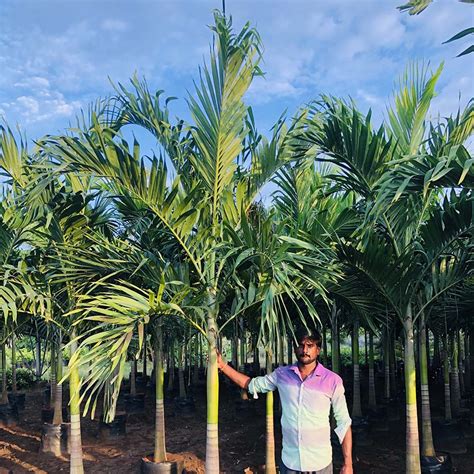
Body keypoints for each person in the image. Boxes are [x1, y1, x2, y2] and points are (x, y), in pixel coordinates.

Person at [217, 329, 353, 474]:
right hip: (290, 463)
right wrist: (223, 366)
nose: (304, 350)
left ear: (318, 350)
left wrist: (348, 463)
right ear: (295, 348)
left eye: (310, 345)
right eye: (300, 345)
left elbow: (344, 423)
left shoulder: (332, 381)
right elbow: (251, 384)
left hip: (320, 463)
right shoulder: (282, 375)